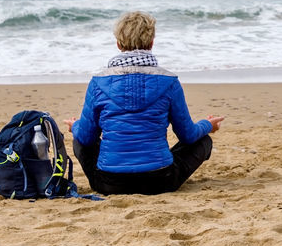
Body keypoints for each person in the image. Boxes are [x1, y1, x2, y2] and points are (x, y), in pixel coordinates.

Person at [65, 11, 222, 196]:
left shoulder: (98, 82)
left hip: (109, 183)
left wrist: (75, 126)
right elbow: (188, 135)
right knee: (202, 140)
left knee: (80, 140)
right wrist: (207, 126)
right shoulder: (169, 81)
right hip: (160, 181)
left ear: (118, 44)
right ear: (152, 43)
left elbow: (85, 139)